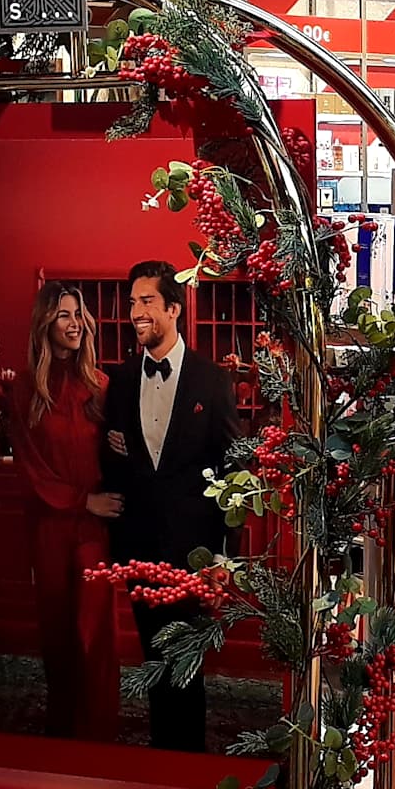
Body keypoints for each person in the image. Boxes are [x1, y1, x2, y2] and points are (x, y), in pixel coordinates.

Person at [101, 260, 241, 751]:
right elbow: (110, 461)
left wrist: (224, 557)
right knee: (154, 663)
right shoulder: (119, 381)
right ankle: (163, 761)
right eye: (132, 302)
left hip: (193, 552)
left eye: (147, 301)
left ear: (174, 309)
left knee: (186, 666)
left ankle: (189, 764)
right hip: (140, 549)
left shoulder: (211, 380)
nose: (136, 312)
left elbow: (233, 472)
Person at [6, 283, 124, 739]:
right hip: (51, 525)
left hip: (93, 529)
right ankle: (63, 731)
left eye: (78, 314)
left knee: (95, 633)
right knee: (56, 631)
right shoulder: (24, 391)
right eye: (64, 315)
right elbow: (30, 467)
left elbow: (115, 456)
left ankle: (99, 732)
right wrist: (80, 500)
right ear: (45, 323)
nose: (75, 324)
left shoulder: (101, 386)